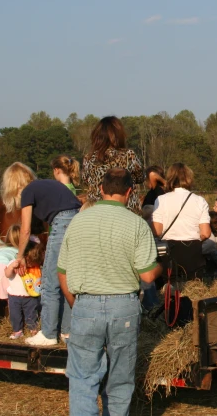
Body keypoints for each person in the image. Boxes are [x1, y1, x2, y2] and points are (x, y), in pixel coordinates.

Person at [57, 168, 161, 415]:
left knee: (82, 378)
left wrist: (76, 304)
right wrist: (160, 267)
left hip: (86, 303)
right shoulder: (137, 224)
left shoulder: (78, 221)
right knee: (120, 379)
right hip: (124, 306)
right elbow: (146, 275)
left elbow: (62, 272)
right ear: (129, 191)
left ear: (101, 190)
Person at [1, 162, 81, 347]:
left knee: (49, 282)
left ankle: (48, 333)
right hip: (77, 221)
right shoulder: (46, 185)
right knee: (66, 279)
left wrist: (19, 256)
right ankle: (67, 331)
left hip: (61, 224)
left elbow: (25, 229)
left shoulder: (28, 191)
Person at [152, 163, 212, 280]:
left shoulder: (161, 200)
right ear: (189, 178)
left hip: (168, 252)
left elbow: (157, 231)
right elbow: (205, 233)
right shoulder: (200, 201)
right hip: (192, 252)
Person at [81, 116, 145, 212]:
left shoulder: (88, 158)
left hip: (97, 210)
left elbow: (85, 180)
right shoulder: (128, 155)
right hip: (126, 210)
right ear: (119, 135)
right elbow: (141, 177)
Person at [4, 239, 44, 339]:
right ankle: (17, 331)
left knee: (32, 313)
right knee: (15, 315)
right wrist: (12, 267)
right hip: (14, 296)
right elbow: (7, 274)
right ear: (24, 256)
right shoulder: (15, 263)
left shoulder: (36, 267)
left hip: (30, 296)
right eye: (30, 261)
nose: (31, 265)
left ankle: (33, 329)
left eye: (34, 262)